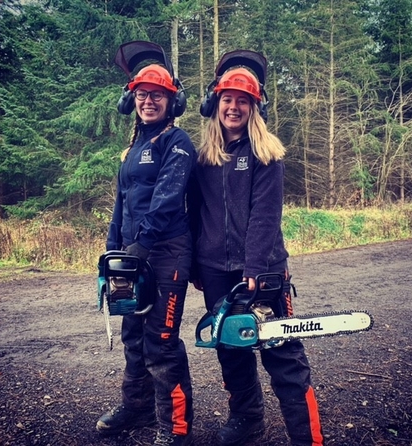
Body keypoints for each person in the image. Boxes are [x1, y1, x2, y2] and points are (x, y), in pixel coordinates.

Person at [189, 55, 324, 446]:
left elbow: (265, 216)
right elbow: (197, 214)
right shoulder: (205, 158)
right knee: (231, 348)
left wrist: (253, 267)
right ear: (215, 104)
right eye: (227, 99)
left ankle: (307, 436)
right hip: (215, 269)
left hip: (262, 269)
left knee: (281, 354)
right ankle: (247, 419)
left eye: (242, 101)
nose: (234, 107)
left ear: (254, 108)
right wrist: (199, 264)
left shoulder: (267, 154)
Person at [96, 56, 195, 446]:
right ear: (131, 99)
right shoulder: (134, 145)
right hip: (131, 251)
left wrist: (142, 243)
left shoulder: (177, 141)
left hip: (166, 250)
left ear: (173, 101)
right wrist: (112, 251)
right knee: (132, 333)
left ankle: (176, 428)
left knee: (161, 340)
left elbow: (168, 198)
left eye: (156, 95)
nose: (148, 101)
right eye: (141, 94)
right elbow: (122, 201)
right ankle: (135, 406)